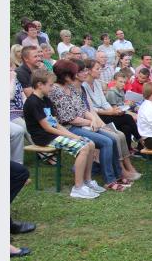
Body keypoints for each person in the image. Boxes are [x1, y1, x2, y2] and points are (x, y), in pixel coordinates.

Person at [49, 59, 127, 191]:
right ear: (66, 75)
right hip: (69, 128)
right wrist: (91, 122)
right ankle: (109, 180)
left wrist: (93, 119)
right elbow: (69, 119)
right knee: (106, 142)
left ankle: (117, 174)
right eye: (74, 73)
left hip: (81, 124)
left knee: (113, 138)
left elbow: (83, 109)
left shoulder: (71, 88)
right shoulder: (57, 91)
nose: (77, 75)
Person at [22, 69, 99, 199]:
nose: (52, 88)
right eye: (50, 85)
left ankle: (87, 181)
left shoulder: (46, 100)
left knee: (90, 143)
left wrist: (72, 135)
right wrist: (73, 136)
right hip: (43, 138)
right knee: (83, 147)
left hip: (53, 134)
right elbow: (48, 128)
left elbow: (56, 124)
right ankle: (78, 187)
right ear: (40, 85)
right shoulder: (32, 102)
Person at [82, 59, 142, 154]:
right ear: (89, 71)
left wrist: (114, 110)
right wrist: (110, 112)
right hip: (96, 117)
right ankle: (141, 140)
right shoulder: (83, 86)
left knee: (126, 126)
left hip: (105, 113)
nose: (100, 71)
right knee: (128, 117)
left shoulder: (97, 83)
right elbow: (90, 108)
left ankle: (127, 150)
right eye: (97, 69)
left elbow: (104, 102)